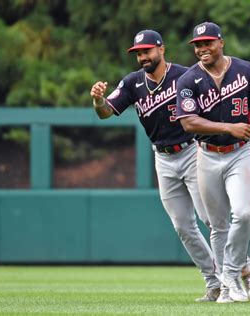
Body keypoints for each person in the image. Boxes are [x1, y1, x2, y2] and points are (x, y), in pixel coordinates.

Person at [89, 29, 221, 302]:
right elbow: (105, 113)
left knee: (211, 219)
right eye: (138, 53)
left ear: (161, 49)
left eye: (147, 51)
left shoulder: (186, 75)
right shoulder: (132, 83)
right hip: (163, 158)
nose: (142, 57)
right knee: (183, 226)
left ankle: (239, 271)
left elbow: (212, 105)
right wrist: (98, 100)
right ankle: (214, 283)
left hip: (192, 152)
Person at [175, 22, 250, 303]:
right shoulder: (188, 80)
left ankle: (230, 275)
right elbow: (189, 122)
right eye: (197, 45)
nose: (202, 49)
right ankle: (232, 283)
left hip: (240, 153)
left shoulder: (245, 70)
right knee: (217, 225)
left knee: (242, 213)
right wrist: (229, 127)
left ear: (221, 43)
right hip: (206, 154)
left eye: (207, 43)